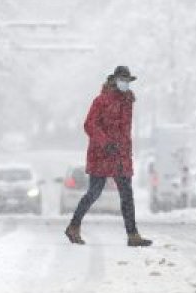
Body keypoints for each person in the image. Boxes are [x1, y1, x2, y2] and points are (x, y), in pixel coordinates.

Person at [64, 66, 152, 247]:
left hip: (121, 156)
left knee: (127, 195)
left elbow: (125, 131)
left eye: (127, 81)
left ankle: (133, 235)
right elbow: (89, 125)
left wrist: (125, 151)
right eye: (122, 80)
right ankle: (73, 226)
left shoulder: (128, 102)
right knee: (94, 193)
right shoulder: (101, 101)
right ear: (114, 80)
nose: (125, 83)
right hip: (102, 155)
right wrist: (105, 143)